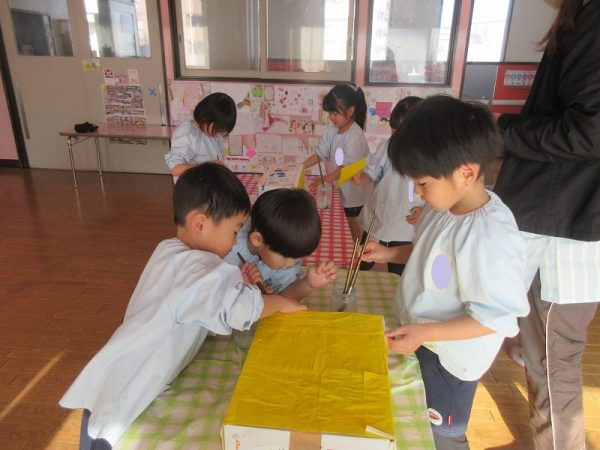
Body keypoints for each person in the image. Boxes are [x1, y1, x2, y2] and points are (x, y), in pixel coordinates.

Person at [59, 163, 306, 449]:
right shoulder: (197, 267)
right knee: (105, 435)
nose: (234, 241)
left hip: (124, 371)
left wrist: (241, 285)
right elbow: (236, 310)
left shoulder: (171, 250)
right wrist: (280, 303)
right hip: (126, 390)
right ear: (200, 224)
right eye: (235, 230)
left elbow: (202, 297)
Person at [360, 95, 530, 449]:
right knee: (416, 413)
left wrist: (425, 332)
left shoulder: (490, 236)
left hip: (451, 360)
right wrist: (388, 252)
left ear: (466, 173)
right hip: (425, 338)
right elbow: (429, 255)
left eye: (423, 184)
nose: (418, 192)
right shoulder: (442, 207)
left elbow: (494, 318)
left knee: (443, 435)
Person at [493, 0, 600, 447]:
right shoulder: (584, 17)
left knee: (556, 360)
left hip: (567, 228)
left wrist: (501, 129)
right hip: (557, 218)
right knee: (540, 354)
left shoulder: (594, 17)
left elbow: (588, 132)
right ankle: (545, 438)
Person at [351, 96, 424, 275]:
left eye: (401, 135)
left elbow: (439, 191)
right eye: (393, 133)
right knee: (363, 257)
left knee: (400, 268)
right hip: (380, 213)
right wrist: (361, 179)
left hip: (408, 220)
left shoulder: (430, 154)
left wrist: (426, 210)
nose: (396, 139)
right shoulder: (387, 146)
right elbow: (373, 172)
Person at [223, 188, 337, 301]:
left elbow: (283, 299)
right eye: (286, 257)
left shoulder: (283, 249)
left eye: (296, 257)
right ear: (257, 239)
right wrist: (246, 292)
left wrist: (308, 284)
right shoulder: (226, 247)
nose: (291, 263)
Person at [303, 84, 371, 244]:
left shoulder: (355, 135)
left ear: (350, 111)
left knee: (353, 224)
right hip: (340, 188)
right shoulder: (332, 130)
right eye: (330, 113)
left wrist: (325, 179)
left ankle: (358, 252)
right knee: (344, 223)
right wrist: (301, 166)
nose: (332, 118)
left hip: (354, 192)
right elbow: (320, 153)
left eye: (335, 113)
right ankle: (353, 248)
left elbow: (346, 168)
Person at [164, 92, 236, 181]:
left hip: (207, 185)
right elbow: (175, 168)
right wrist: (207, 167)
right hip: (192, 187)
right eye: (218, 128)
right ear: (206, 117)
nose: (219, 132)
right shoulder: (188, 134)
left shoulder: (213, 134)